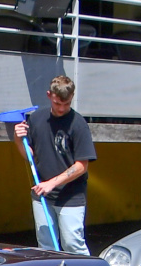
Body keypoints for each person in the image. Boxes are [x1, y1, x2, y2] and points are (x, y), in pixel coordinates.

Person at [11, 75, 96, 253]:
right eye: (57, 103)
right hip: (42, 195)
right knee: (46, 247)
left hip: (71, 196)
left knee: (72, 244)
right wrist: (18, 139)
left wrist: (52, 183)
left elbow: (82, 166)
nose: (62, 108)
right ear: (49, 95)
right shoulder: (36, 119)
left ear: (72, 97)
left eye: (67, 104)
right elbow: (30, 156)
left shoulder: (78, 124)